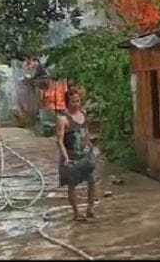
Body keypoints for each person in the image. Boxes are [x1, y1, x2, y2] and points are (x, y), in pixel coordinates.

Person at [55, 90, 97, 222]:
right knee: (72, 184)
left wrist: (91, 147)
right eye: (73, 101)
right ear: (67, 102)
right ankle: (76, 213)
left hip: (85, 154)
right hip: (71, 157)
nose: (76, 104)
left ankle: (90, 209)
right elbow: (59, 140)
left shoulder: (83, 113)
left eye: (78, 100)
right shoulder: (62, 119)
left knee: (92, 181)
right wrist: (65, 157)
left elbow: (86, 132)